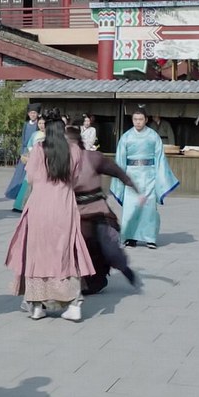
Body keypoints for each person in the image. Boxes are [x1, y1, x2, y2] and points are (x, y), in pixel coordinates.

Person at [5, 110, 95, 322]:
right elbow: (76, 178)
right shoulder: (74, 150)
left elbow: (31, 178)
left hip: (39, 206)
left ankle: (37, 305)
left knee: (38, 253)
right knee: (65, 253)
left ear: (46, 129)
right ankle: (73, 304)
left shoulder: (38, 149)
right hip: (64, 206)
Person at [66, 125, 139, 294]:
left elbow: (115, 170)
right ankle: (83, 281)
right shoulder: (60, 162)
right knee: (77, 247)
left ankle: (124, 268)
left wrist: (129, 182)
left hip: (98, 211)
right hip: (75, 213)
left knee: (109, 247)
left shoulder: (92, 157)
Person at [112, 108, 179, 249]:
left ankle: (150, 238)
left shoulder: (153, 136)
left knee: (149, 208)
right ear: (132, 120)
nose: (138, 122)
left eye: (140, 119)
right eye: (135, 119)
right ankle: (130, 237)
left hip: (149, 175)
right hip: (131, 175)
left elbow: (160, 158)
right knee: (131, 207)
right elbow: (120, 159)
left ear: (146, 120)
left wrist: (160, 177)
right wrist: (121, 177)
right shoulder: (126, 137)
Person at [5, 103, 41, 205]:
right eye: (31, 113)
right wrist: (22, 152)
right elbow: (23, 138)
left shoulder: (38, 125)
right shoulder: (26, 124)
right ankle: (15, 192)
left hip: (34, 149)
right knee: (20, 172)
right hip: (25, 149)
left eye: (34, 113)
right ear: (28, 114)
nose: (32, 115)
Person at [12, 115, 45, 212]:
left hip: (42, 161)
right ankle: (20, 205)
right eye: (40, 123)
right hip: (33, 159)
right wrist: (31, 152)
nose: (41, 125)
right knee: (27, 181)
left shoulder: (48, 135)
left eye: (43, 123)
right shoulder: (35, 134)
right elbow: (29, 145)